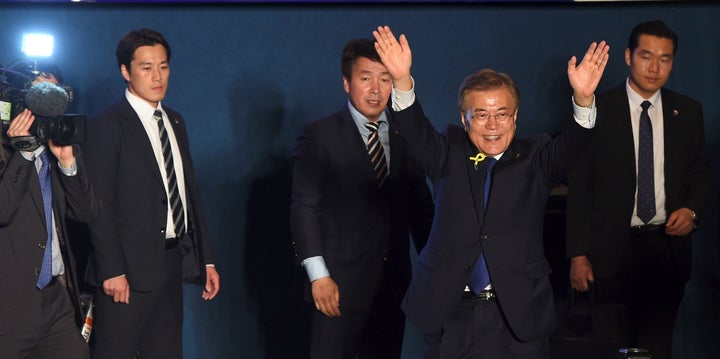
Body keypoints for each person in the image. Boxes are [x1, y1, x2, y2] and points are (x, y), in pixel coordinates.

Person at [372, 25, 609, 358]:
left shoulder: (538, 158)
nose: (493, 125)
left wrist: (584, 99)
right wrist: (401, 80)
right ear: (464, 119)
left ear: (515, 117)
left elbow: (575, 142)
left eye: (502, 114)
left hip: (518, 314)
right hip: (450, 312)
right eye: (481, 115)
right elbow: (413, 129)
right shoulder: (446, 152)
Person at [566, 20, 710, 359]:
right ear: (629, 56)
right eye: (647, 56)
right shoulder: (597, 110)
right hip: (608, 253)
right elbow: (580, 186)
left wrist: (691, 211)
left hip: (666, 251)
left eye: (666, 58)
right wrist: (577, 253)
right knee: (608, 347)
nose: (655, 67)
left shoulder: (687, 111)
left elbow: (700, 173)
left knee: (657, 349)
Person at [289, 37, 434, 358]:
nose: (376, 89)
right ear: (346, 82)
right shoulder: (319, 134)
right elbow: (303, 209)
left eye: (385, 79)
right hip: (336, 285)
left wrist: (436, 272)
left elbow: (421, 210)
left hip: (393, 285)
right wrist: (318, 275)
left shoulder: (405, 134)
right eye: (366, 78)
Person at [83, 28, 220, 359]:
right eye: (146, 67)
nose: (157, 76)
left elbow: (188, 192)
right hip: (125, 272)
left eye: (163, 66)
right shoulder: (107, 125)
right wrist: (112, 270)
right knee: (115, 352)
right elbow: (97, 205)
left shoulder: (175, 120)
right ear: (125, 72)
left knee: (167, 352)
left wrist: (207, 258)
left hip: (171, 262)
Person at [0, 73, 97, 357]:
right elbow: (3, 211)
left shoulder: (60, 149)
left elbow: (86, 211)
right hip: (10, 303)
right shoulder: (7, 152)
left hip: (55, 299)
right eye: (40, 96)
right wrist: (24, 152)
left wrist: (68, 162)